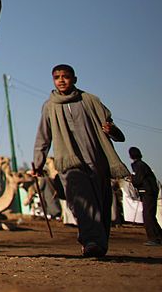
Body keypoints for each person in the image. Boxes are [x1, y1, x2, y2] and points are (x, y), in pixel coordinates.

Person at [32, 64, 128, 258]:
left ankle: (99, 243)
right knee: (81, 203)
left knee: (101, 203)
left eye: (65, 76)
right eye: (57, 77)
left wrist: (112, 131)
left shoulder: (90, 101)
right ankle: (91, 241)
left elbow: (115, 132)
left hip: (96, 160)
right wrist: (38, 163)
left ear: (74, 79)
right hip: (69, 164)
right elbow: (43, 137)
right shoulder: (50, 106)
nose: (61, 80)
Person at [129, 147, 161, 246]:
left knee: (148, 216)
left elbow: (137, 180)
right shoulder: (142, 165)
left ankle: (154, 238)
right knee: (150, 215)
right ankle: (158, 236)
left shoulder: (138, 166)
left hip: (148, 193)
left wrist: (132, 179)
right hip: (150, 192)